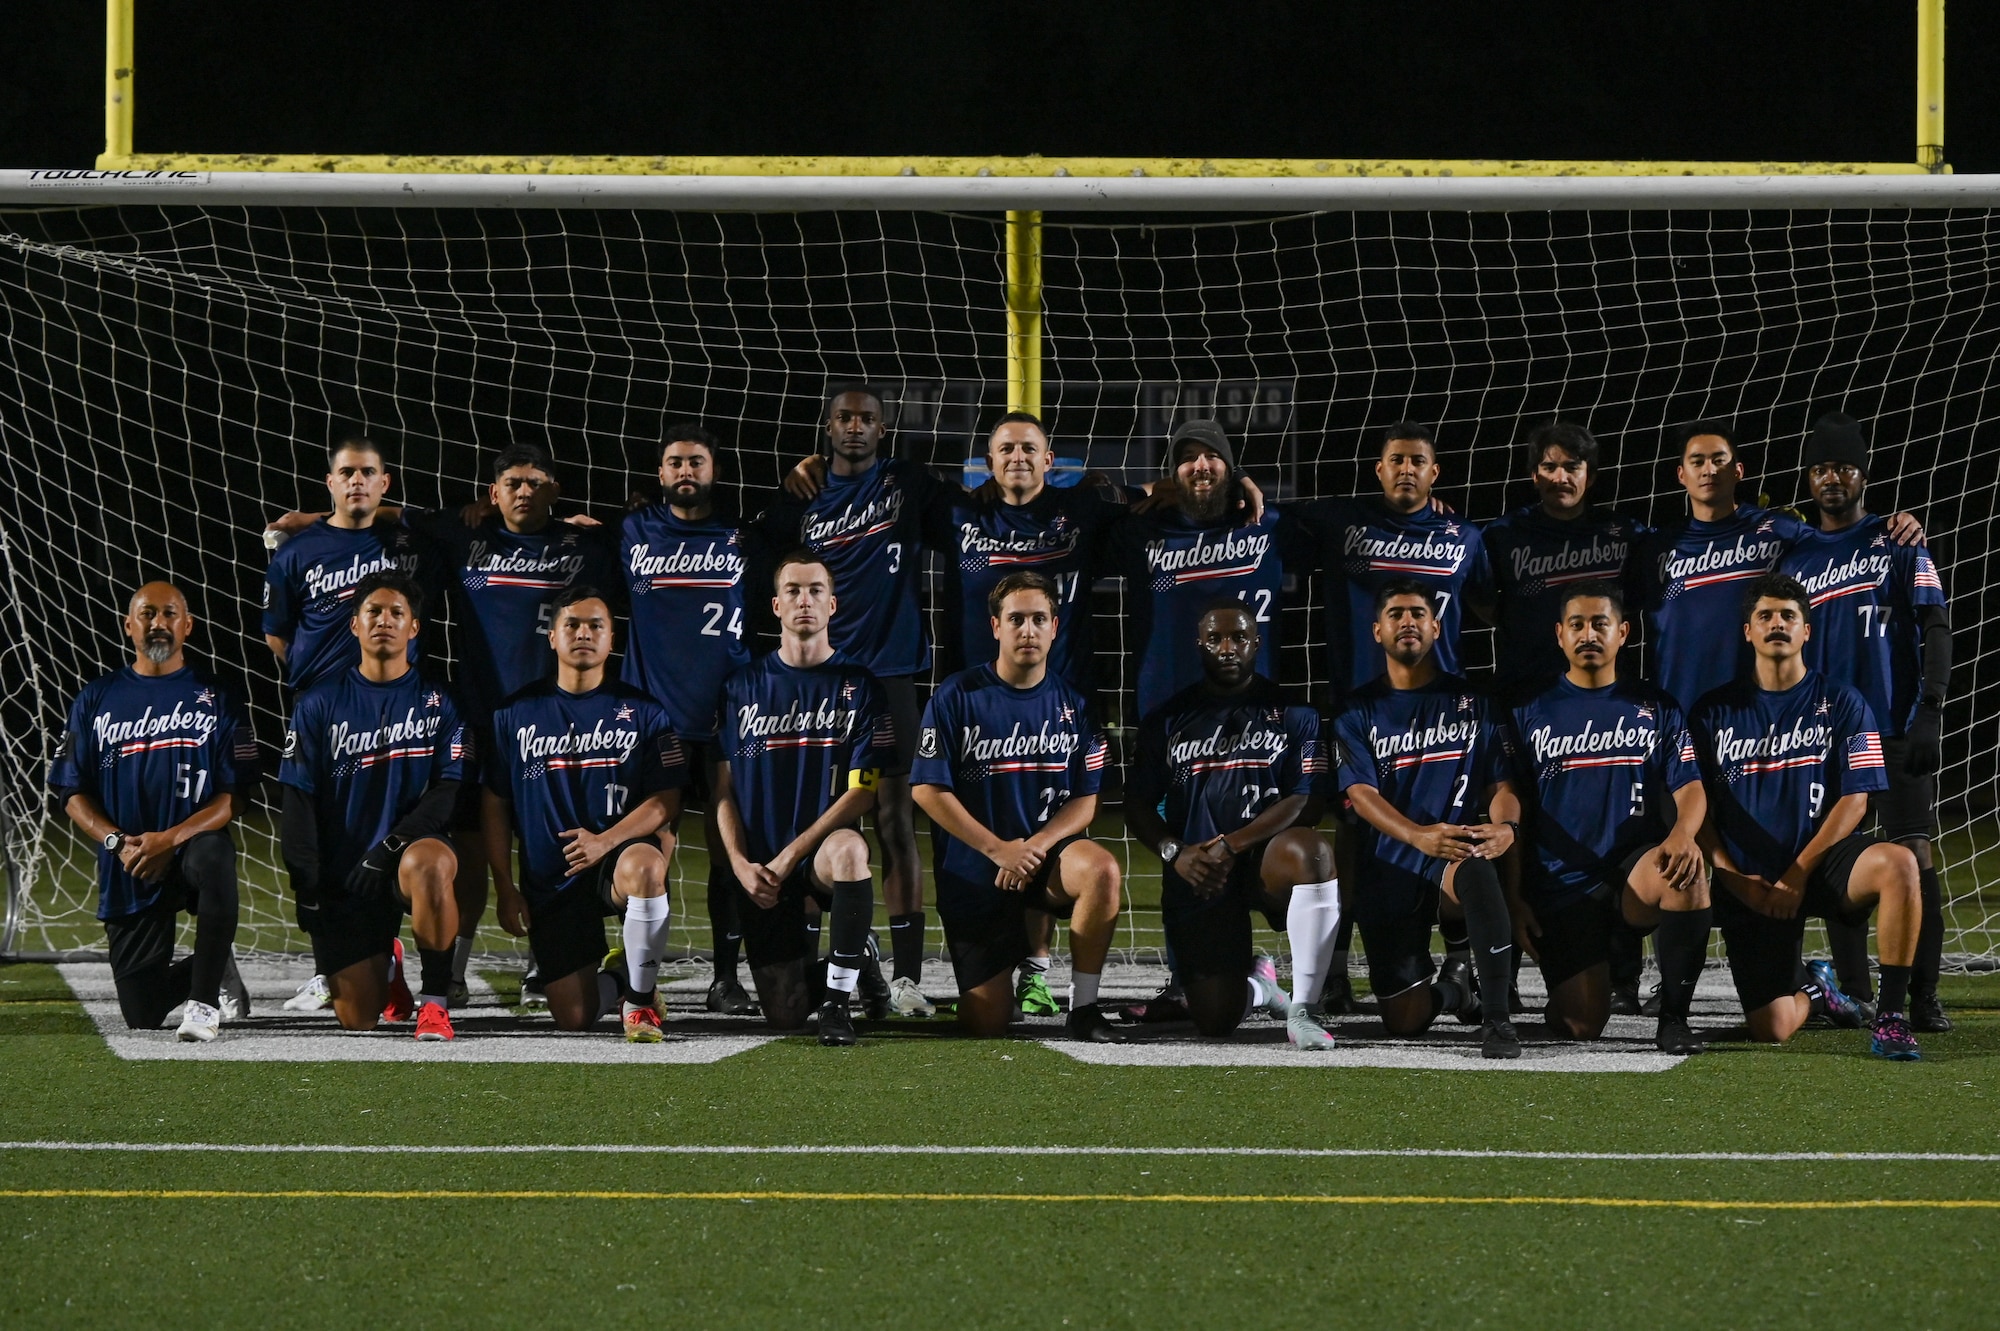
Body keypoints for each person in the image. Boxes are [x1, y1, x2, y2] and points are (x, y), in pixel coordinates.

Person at [1687, 573, 1923, 1060]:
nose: (1777, 624)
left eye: (1789, 616)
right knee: (1771, 1029)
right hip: (1751, 876)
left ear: (1806, 632)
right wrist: (1732, 877)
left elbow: (1857, 799)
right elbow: (1695, 806)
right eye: (1765, 616)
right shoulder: (1711, 712)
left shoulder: (1846, 702)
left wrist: (1798, 872)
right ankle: (1819, 990)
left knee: (1899, 862)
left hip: (1820, 866)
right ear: (1747, 631)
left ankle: (1892, 1018)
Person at [756, 388, 939, 1015]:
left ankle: (909, 977)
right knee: (819, 819)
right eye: (844, 417)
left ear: (882, 430)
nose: (854, 427)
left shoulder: (910, 484)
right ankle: (845, 964)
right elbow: (750, 545)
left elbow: (986, 507)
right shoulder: (800, 499)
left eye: (866, 419)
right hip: (821, 683)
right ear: (826, 426)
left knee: (895, 821)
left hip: (889, 676)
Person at [1779, 412, 1954, 1033]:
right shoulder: (1794, 554)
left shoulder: (1899, 539)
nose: (1834, 478)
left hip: (1896, 726)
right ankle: (1854, 992)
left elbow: (1936, 627)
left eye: (1844, 467)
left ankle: (1923, 995)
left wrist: (1930, 711)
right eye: (1823, 468)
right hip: (1826, 735)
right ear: (1809, 478)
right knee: (1837, 851)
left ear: (1862, 474)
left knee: (1913, 854)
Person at [910, 572, 1126, 1041]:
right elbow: (927, 790)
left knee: (1102, 868)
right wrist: (997, 850)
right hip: (975, 869)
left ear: (1055, 627)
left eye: (1038, 619)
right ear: (995, 627)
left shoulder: (1076, 705)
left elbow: (1086, 800)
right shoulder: (956, 696)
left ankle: (1084, 1008)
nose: (1027, 630)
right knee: (987, 1023)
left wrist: (1036, 845)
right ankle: (1000, 974)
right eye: (1016, 619)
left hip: (1043, 862)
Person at [1126, 602, 1343, 1049]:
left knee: (1313, 851)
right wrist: (1176, 853)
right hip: (1202, 872)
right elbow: (1137, 804)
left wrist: (1232, 845)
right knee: (1214, 1020)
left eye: (1239, 638)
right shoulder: (1167, 720)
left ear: (1256, 643)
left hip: (1266, 863)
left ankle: (1303, 1007)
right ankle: (1262, 987)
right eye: (1216, 639)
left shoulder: (1294, 714)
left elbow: (1306, 799)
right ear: (1199, 645)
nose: (1228, 648)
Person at [1507, 582, 1711, 1055]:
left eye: (1600, 624)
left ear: (1623, 632)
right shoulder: (1526, 710)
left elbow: (1691, 785)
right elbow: (1510, 809)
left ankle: (1674, 1019)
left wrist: (1683, 833)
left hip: (1631, 875)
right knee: (1579, 1024)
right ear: (1559, 635)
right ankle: (1591, 971)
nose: (1588, 634)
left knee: (1688, 870)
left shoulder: (1656, 707)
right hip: (1562, 886)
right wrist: (1515, 895)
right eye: (1576, 625)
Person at [49, 582, 255, 1041]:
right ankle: (215, 959)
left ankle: (202, 1006)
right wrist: (115, 842)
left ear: (187, 626)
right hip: (131, 858)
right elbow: (70, 792)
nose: (158, 624)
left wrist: (172, 838)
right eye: (147, 614)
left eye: (168, 614)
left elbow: (233, 796)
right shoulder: (96, 698)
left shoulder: (218, 695)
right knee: (142, 1012)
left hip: (191, 845)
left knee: (216, 857)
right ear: (128, 626)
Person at [484, 587, 687, 1040]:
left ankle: (639, 1003)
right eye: (572, 624)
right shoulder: (512, 715)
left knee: (647, 865)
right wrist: (504, 885)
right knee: (574, 1017)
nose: (584, 633)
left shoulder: (645, 713)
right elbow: (495, 804)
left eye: (596, 625)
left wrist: (605, 841)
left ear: (611, 639)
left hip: (614, 860)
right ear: (552, 637)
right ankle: (620, 975)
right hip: (552, 876)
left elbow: (666, 801)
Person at [1333, 581, 1525, 1058]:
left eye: (1418, 613)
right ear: (1378, 631)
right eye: (1396, 614)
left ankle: (1498, 1020)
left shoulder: (1475, 704)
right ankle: (1455, 990)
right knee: (1406, 1022)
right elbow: (1359, 793)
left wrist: (1507, 827)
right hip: (1391, 865)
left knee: (1478, 869)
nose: (1408, 622)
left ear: (1436, 627)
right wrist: (1416, 836)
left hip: (1451, 859)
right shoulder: (1355, 711)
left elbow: (1500, 787)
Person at [712, 551, 891, 1045]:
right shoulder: (740, 687)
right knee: (785, 1014)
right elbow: (722, 790)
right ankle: (860, 959)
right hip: (765, 863)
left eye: (816, 591)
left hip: (817, 855)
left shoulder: (860, 686)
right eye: (793, 590)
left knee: (852, 850)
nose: (804, 600)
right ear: (775, 605)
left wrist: (796, 853)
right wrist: (741, 863)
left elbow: (864, 793)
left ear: (832, 605)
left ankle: (837, 1002)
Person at [278, 573, 466, 1040]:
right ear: (355, 626)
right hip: (348, 875)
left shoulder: (439, 702)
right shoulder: (319, 703)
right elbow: (298, 798)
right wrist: (308, 884)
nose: (385, 621)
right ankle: (387, 967)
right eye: (374, 613)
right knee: (358, 1018)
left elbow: (449, 791)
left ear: (414, 629)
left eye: (397, 613)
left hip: (402, 857)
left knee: (432, 861)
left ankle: (436, 1002)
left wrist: (389, 846)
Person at [619, 423, 759, 1017]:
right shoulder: (630, 530)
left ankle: (725, 976)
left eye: (696, 462)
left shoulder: (746, 538)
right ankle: (635, 971)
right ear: (659, 473)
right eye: (674, 461)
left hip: (727, 716)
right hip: (655, 720)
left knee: (731, 848)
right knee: (648, 844)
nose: (685, 471)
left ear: (714, 471)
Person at [1107, 420, 1300, 721]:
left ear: (1231, 468)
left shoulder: (1268, 525)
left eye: (1212, 455)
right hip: (1167, 718)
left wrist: (1241, 479)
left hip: (1253, 717)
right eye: (1188, 458)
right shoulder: (1141, 530)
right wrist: (1149, 489)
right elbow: (1089, 501)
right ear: (1173, 474)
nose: (1201, 465)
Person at [1299, 422, 1493, 701]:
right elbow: (1269, 515)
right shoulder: (1342, 522)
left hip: (1443, 698)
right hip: (1361, 700)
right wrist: (1241, 480)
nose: (1407, 469)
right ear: (1380, 470)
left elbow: (1488, 606)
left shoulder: (1465, 536)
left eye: (1418, 461)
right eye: (1397, 460)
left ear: (1433, 473)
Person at [1482, 421, 1645, 702]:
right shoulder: (1504, 535)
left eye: (1572, 468)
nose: (1560, 478)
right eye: (1549, 467)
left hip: (1607, 690)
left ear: (1589, 476)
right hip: (1525, 689)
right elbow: (1475, 592)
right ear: (1534, 475)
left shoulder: (1623, 534)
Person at [262, 433, 427, 692]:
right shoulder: (295, 553)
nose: (357, 481)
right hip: (322, 703)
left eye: (368, 472)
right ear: (330, 482)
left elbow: (444, 520)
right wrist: (311, 674)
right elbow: (274, 633)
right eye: (347, 472)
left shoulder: (408, 544)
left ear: (384, 483)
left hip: (396, 701)